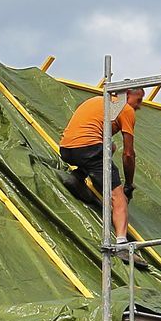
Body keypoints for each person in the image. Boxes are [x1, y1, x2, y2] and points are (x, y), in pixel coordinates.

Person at [60, 87, 142, 243]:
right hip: (89, 149)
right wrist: (128, 185)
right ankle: (121, 242)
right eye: (138, 100)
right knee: (119, 198)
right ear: (126, 95)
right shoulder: (126, 109)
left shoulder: (97, 100)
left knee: (111, 146)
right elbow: (128, 154)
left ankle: (78, 176)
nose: (139, 106)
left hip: (66, 149)